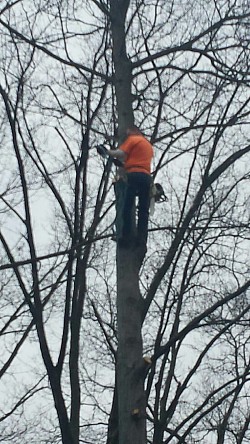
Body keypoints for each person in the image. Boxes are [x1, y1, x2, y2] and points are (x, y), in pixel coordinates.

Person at [108, 126, 153, 247]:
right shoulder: (147, 145)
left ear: (134, 131)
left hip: (134, 175)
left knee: (127, 206)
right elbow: (136, 160)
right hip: (146, 176)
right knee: (143, 210)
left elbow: (120, 153)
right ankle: (141, 238)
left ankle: (126, 236)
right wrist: (123, 164)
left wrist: (109, 152)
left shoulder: (133, 139)